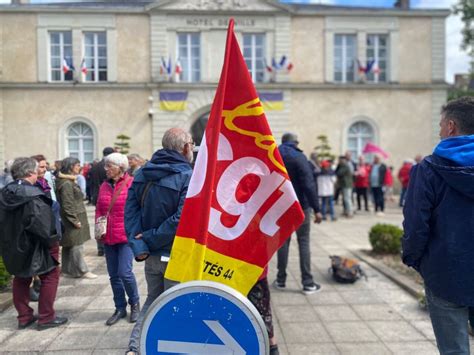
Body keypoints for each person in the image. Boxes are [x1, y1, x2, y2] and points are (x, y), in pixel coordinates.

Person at [402, 96, 474, 355]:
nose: (439, 129)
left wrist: (414, 260)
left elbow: (415, 226)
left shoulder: (428, 170)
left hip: (446, 274)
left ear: (452, 126)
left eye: (441, 124)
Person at [124, 127, 193, 355]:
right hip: (176, 254)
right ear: (184, 148)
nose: (192, 148)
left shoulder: (143, 172)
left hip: (151, 256)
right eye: (191, 144)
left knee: (153, 300)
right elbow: (182, 219)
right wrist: (150, 239)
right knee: (175, 306)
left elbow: (130, 213)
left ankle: (135, 348)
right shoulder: (187, 175)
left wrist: (141, 245)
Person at [0, 157, 67, 330]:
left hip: (13, 244)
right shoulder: (33, 195)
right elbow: (42, 226)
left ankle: (24, 317)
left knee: (21, 278)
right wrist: (53, 239)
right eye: (37, 170)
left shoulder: (5, 192)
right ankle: (46, 317)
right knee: (50, 276)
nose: (39, 173)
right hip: (37, 244)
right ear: (30, 172)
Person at [274, 132, 323, 295]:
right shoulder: (300, 157)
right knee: (303, 241)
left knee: (282, 243)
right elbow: (309, 184)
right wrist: (317, 209)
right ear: (296, 143)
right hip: (300, 206)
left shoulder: (274, 155)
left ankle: (280, 280)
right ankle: (308, 283)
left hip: (281, 208)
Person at [96, 153, 140, 326]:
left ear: (120, 168)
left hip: (125, 236)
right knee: (113, 275)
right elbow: (100, 209)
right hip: (108, 237)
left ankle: (135, 304)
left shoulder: (132, 184)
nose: (106, 169)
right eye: (105, 166)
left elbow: (138, 209)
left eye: (109, 166)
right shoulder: (104, 186)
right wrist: (99, 229)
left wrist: (137, 231)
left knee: (125, 272)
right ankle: (119, 308)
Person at [56, 157, 97, 279]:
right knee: (77, 245)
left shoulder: (67, 181)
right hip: (72, 218)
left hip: (72, 217)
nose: (79, 167)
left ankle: (67, 270)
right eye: (77, 165)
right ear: (70, 166)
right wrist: (74, 220)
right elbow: (67, 204)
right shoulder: (67, 183)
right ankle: (82, 270)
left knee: (69, 244)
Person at [89, 147, 115, 256]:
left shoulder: (95, 166)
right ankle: (108, 244)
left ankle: (100, 247)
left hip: (97, 195)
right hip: (108, 196)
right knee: (110, 220)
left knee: (100, 221)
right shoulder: (110, 166)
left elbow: (91, 182)